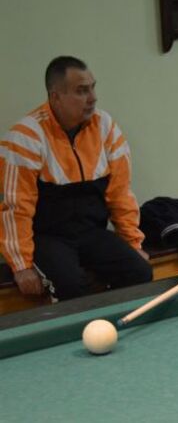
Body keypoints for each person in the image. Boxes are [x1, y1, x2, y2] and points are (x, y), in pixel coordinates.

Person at [0, 56, 152, 301]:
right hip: (48, 237)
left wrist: (134, 244)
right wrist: (21, 265)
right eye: (81, 91)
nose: (93, 98)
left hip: (91, 232)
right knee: (71, 285)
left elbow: (120, 193)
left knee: (140, 272)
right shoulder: (25, 137)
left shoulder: (105, 127)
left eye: (93, 88)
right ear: (55, 97)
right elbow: (15, 208)